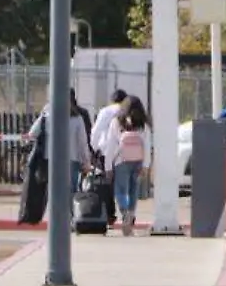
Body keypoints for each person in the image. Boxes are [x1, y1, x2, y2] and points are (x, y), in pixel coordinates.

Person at [103, 98, 152, 236]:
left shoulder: (116, 123)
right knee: (133, 191)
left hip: (121, 161)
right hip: (138, 161)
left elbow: (110, 146)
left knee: (121, 191)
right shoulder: (143, 125)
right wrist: (146, 165)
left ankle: (124, 213)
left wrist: (108, 167)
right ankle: (130, 215)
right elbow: (147, 146)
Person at [27, 92, 92, 187]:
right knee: (70, 190)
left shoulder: (47, 117)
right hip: (71, 159)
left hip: (51, 159)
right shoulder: (77, 119)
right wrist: (86, 162)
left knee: (53, 189)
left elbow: (32, 134)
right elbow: (82, 143)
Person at [90, 89, 129, 222]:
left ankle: (109, 214)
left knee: (106, 184)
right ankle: (126, 212)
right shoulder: (128, 111)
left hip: (106, 152)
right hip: (124, 153)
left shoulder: (105, 111)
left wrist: (95, 148)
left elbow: (96, 131)